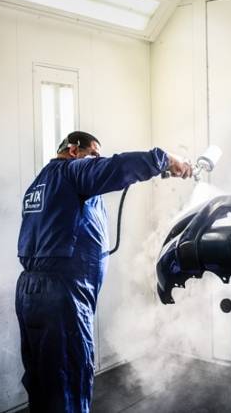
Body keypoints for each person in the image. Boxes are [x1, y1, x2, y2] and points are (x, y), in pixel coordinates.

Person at [15, 131, 192, 412]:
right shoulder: (72, 171)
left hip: (29, 292)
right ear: (74, 151)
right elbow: (117, 167)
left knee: (42, 378)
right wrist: (167, 159)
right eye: (94, 155)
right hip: (63, 294)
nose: (97, 161)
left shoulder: (39, 184)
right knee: (70, 376)